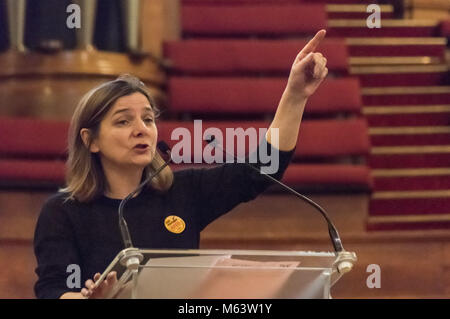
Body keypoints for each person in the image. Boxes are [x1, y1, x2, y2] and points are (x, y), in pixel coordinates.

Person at [33, 30, 328, 299]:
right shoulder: (63, 212)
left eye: (148, 119)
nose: (142, 129)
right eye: (123, 121)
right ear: (91, 140)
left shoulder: (183, 192)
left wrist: (295, 95)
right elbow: (53, 288)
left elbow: (264, 168)